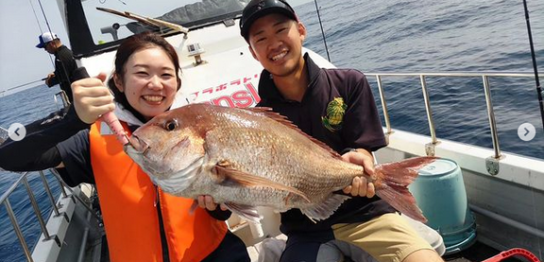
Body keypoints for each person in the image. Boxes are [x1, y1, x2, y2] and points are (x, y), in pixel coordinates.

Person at [1, 32, 249, 262]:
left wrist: (219, 208)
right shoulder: (93, 138)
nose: (155, 84)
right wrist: (72, 121)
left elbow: (225, 205)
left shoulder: (203, 129)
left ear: (177, 82)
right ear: (118, 81)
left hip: (216, 254)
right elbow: (10, 157)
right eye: (142, 73)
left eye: (165, 75)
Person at [239, 0, 444, 261]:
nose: (274, 43)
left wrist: (361, 159)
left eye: (281, 29)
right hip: (305, 230)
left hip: (366, 216)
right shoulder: (258, 121)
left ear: (301, 30)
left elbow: (362, 147)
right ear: (253, 52)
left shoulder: (349, 83)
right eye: (261, 37)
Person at [36, 32, 78, 103]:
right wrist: (54, 73)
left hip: (75, 97)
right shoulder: (66, 52)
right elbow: (66, 70)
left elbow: (62, 77)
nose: (45, 50)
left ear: (51, 43)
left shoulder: (61, 57)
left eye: (45, 47)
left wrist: (49, 82)